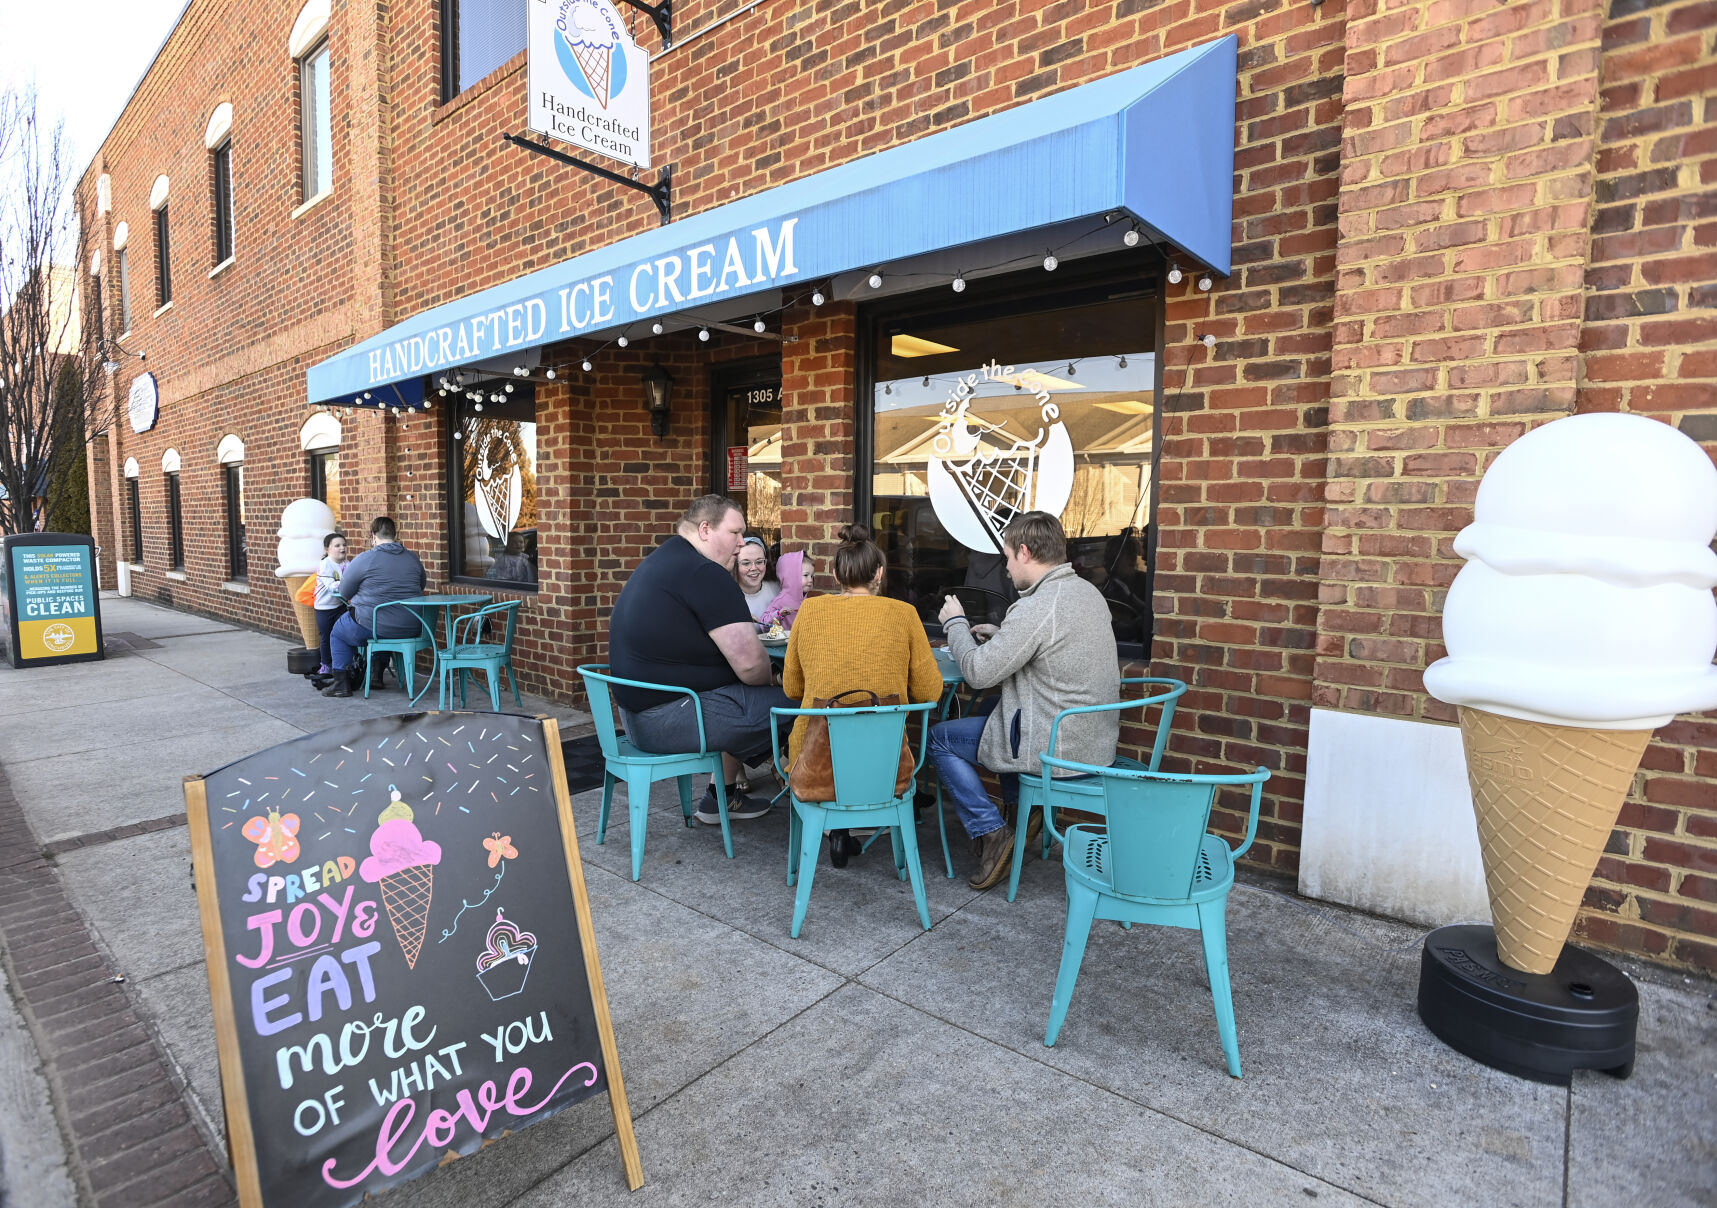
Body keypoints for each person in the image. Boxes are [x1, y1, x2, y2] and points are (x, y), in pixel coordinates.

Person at [930, 511, 1121, 890]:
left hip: (1056, 749)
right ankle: (1021, 812)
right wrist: (1005, 635)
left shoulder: (1037, 606)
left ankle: (992, 832)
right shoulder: (1086, 592)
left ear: (1024, 552)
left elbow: (978, 673)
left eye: (1006, 557)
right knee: (991, 709)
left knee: (940, 739)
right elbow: (1052, 647)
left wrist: (955, 623)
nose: (1004, 567)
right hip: (1093, 741)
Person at [608, 495, 790, 824]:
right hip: (667, 718)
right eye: (735, 533)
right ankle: (824, 805)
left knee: (744, 695)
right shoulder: (704, 573)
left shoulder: (665, 560)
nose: (742, 543)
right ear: (705, 529)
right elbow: (750, 667)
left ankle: (721, 798)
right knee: (803, 700)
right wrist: (776, 678)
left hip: (637, 717)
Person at [782, 524, 943, 866]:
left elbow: (792, 688)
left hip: (815, 761)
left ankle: (833, 830)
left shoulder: (810, 611)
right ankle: (860, 827)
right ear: (880, 574)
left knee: (794, 746)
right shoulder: (904, 614)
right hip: (882, 766)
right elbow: (930, 691)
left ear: (837, 574)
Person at [324, 516, 428, 698]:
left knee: (338, 632)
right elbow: (421, 585)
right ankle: (376, 675)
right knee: (384, 623)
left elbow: (345, 591)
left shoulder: (366, 558)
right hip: (411, 625)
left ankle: (341, 682)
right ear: (396, 534)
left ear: (373, 535)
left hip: (375, 625)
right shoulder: (412, 558)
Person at [312, 532, 349, 682]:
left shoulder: (347, 564)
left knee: (342, 635)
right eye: (337, 545)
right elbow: (332, 587)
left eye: (344, 545)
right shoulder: (325, 564)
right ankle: (326, 665)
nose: (342, 548)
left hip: (340, 605)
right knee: (326, 637)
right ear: (328, 549)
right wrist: (349, 584)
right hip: (324, 608)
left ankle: (343, 664)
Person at [758, 550, 815, 632]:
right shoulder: (780, 601)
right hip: (783, 643)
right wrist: (779, 614)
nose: (810, 580)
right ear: (792, 577)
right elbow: (764, 625)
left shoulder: (805, 599)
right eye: (806, 575)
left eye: (812, 576)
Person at [733, 535, 780, 621]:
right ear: (735, 565)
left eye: (759, 562)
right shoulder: (728, 596)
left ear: (766, 562)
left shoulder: (777, 590)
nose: (754, 568)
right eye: (746, 563)